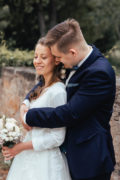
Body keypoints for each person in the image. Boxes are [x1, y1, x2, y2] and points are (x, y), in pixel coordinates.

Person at [7, 18, 116, 180]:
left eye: (58, 57)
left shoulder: (99, 73)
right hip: (71, 155)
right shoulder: (77, 62)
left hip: (90, 159)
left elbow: (69, 113)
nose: (58, 62)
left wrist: (28, 116)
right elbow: (45, 82)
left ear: (72, 52)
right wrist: (26, 101)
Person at [2, 37, 71, 180]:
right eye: (35, 56)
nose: (37, 61)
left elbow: (58, 137)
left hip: (46, 163)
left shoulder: (58, 92)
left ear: (56, 60)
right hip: (28, 156)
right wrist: (24, 106)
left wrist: (20, 147)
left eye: (43, 57)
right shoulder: (41, 86)